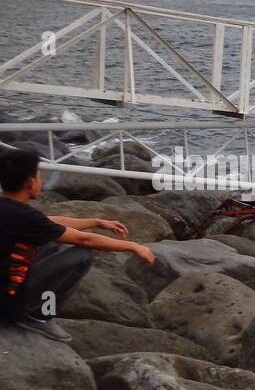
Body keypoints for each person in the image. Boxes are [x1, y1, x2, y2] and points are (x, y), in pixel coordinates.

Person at [0, 146, 155, 341]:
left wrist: (97, 222)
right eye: (39, 176)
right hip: (8, 302)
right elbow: (85, 240)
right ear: (31, 183)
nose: (41, 181)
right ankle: (39, 316)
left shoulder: (11, 209)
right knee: (81, 255)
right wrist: (133, 246)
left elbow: (49, 222)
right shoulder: (24, 216)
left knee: (52, 244)